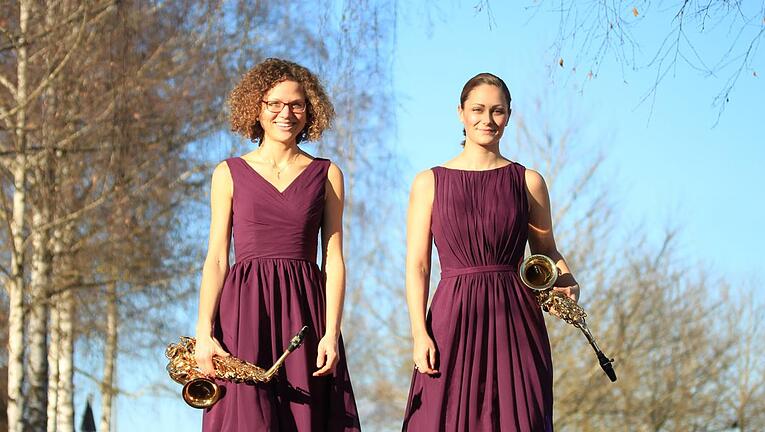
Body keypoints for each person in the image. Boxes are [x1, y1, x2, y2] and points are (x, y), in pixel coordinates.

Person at [402, 73, 580, 431]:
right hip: (451, 318)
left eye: (497, 111)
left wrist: (566, 278)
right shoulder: (429, 182)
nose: (487, 119)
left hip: (515, 319)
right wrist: (419, 333)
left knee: (520, 418)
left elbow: (546, 249)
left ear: (509, 115)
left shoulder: (528, 181)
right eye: (478, 109)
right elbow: (418, 266)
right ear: (461, 113)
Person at [194, 58, 360, 431]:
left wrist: (331, 332)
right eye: (275, 104)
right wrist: (204, 331)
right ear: (258, 107)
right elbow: (217, 258)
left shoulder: (327, 174)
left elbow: (333, 258)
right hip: (243, 312)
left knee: (307, 418)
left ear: (309, 110)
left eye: (296, 104)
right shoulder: (228, 173)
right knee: (248, 417)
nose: (286, 113)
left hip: (306, 313)